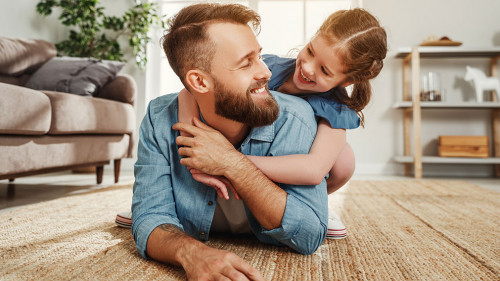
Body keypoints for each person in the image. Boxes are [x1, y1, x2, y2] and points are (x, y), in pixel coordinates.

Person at [131, 3, 328, 280]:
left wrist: (231, 162)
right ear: (198, 82)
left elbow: (309, 235)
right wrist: (191, 253)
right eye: (246, 63)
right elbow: (150, 219)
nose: (266, 72)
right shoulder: (159, 117)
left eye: (259, 56)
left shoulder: (296, 117)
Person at [177, 8, 388, 239]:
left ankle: (312, 206)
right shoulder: (267, 67)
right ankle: (167, 198)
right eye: (310, 51)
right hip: (244, 142)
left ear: (346, 80)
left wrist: (230, 161)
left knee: (344, 160)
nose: (307, 68)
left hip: (282, 166)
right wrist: (192, 145)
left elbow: (314, 169)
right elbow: (190, 92)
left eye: (325, 70)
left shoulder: (336, 109)